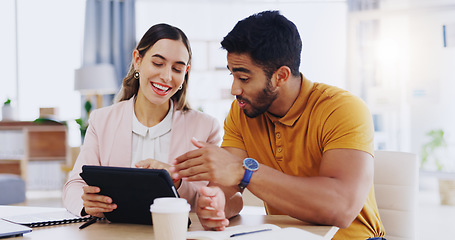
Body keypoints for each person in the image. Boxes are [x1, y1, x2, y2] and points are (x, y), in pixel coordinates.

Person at [170, 11, 386, 240]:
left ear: (281, 76)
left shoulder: (342, 109)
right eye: (232, 75)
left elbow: (340, 208)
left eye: (244, 78)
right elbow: (228, 189)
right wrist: (215, 203)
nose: (234, 89)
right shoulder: (242, 111)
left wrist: (245, 172)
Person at [63, 23, 222, 218]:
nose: (166, 76)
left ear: (185, 72)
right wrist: (86, 202)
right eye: (158, 63)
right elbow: (73, 185)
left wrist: (177, 182)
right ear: (137, 60)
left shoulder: (206, 128)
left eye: (177, 69)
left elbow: (212, 200)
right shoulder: (101, 120)